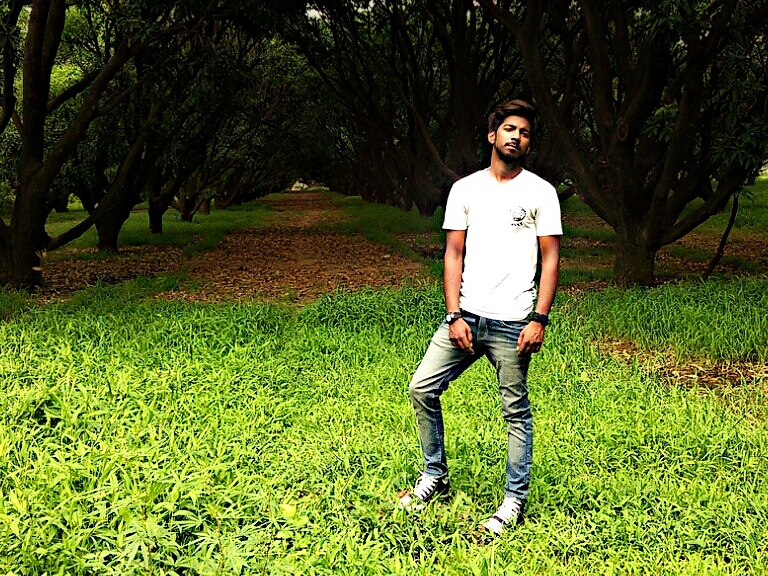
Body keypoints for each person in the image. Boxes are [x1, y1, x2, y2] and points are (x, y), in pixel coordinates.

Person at [397, 99, 562, 535]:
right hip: (466, 317)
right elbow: (453, 253)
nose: (516, 137)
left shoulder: (541, 193)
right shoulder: (465, 190)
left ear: (528, 143)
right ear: (492, 135)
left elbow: (550, 259)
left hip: (514, 323)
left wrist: (539, 319)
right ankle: (435, 476)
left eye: (524, 133)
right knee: (421, 387)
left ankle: (514, 501)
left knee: (515, 412)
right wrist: (453, 314)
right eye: (509, 129)